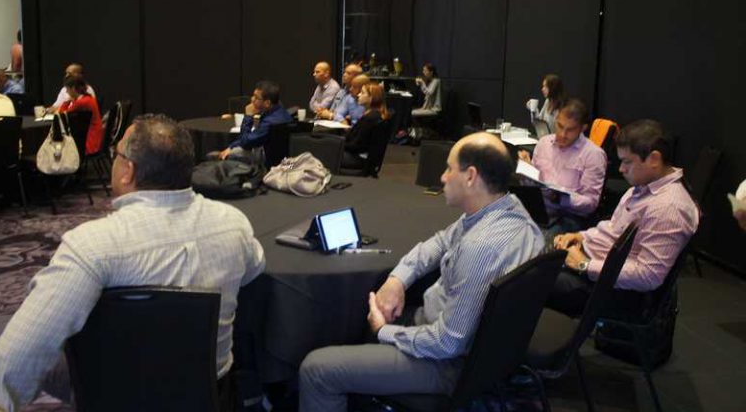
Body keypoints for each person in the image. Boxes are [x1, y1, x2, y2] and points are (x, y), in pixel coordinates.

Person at [0, 114, 266, 411]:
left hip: (114, 396)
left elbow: (23, 352)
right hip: (211, 394)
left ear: (128, 170)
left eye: (116, 154)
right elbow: (254, 270)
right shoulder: (234, 224)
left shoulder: (92, 245)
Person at [299, 132, 545, 411]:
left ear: (470, 177)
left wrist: (384, 331)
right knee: (369, 314)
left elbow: (446, 344)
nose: (442, 177)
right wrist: (397, 280)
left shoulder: (480, 247)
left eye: (449, 168)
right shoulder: (510, 210)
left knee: (316, 370)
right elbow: (440, 242)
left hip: (447, 364)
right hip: (484, 352)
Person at [547, 119, 699, 318]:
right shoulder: (644, 187)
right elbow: (613, 229)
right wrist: (581, 237)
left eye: (627, 162)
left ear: (654, 159)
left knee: (527, 280)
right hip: (594, 266)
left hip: (610, 290)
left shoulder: (669, 207)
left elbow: (648, 276)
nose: (621, 169)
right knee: (528, 255)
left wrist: (584, 265)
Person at [518, 98, 607, 232]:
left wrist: (561, 198)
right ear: (556, 120)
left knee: (539, 240)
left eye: (570, 130)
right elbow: (534, 187)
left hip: (569, 215)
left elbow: (591, 203)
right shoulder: (543, 143)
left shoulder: (593, 155)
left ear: (582, 128)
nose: (562, 134)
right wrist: (526, 170)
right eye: (559, 126)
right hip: (541, 209)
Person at [212, 80, 292, 165]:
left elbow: (246, 143)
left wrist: (248, 116)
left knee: (226, 155)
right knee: (231, 150)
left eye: (256, 97)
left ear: (267, 103)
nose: (252, 99)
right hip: (273, 154)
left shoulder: (270, 122)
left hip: (268, 159)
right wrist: (231, 146)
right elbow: (253, 137)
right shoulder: (279, 110)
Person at [341, 82, 388, 170]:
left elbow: (357, 146)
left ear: (372, 98)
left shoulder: (370, 118)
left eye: (362, 93)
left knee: (324, 154)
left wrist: (338, 144)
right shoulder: (373, 115)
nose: (359, 95)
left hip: (359, 159)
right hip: (362, 157)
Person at [58, 75, 104, 155]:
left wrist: (67, 101)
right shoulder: (88, 98)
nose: (66, 92)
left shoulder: (81, 102)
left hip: (90, 142)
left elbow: (62, 115)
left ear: (73, 88)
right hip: (96, 137)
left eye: (67, 89)